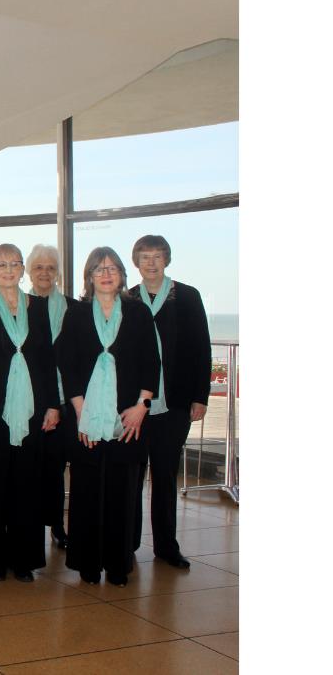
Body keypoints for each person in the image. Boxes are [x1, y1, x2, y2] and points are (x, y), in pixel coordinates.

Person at [56, 247, 159, 587]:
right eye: (99, 268)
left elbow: (150, 361)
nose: (106, 273)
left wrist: (142, 405)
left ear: (121, 276)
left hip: (128, 417)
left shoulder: (138, 312)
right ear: (89, 276)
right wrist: (82, 410)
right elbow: (67, 363)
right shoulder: (77, 314)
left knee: (122, 491)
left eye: (112, 268)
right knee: (86, 491)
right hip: (85, 415)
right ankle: (87, 563)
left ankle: (118, 564)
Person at [0, 244, 60, 582]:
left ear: (23, 270)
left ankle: (23, 559)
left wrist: (52, 404)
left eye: (14, 264)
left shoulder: (38, 308)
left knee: (26, 485)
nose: (8, 270)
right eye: (1, 264)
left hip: (32, 410)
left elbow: (47, 359)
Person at [127, 235, 211, 570]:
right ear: (136, 261)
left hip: (175, 403)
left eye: (157, 256)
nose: (151, 263)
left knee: (165, 476)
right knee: (132, 477)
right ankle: (127, 543)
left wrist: (200, 396)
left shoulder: (187, 296)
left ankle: (166, 546)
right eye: (145, 257)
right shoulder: (127, 298)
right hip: (135, 407)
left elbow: (201, 348)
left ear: (167, 260)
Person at [26, 243, 80, 550]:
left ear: (57, 273)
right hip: (28, 400)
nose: (44, 273)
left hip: (64, 399)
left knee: (56, 467)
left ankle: (57, 525)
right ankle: (28, 522)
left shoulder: (73, 309)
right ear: (29, 273)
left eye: (50, 267)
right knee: (29, 465)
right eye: (38, 267)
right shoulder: (18, 307)